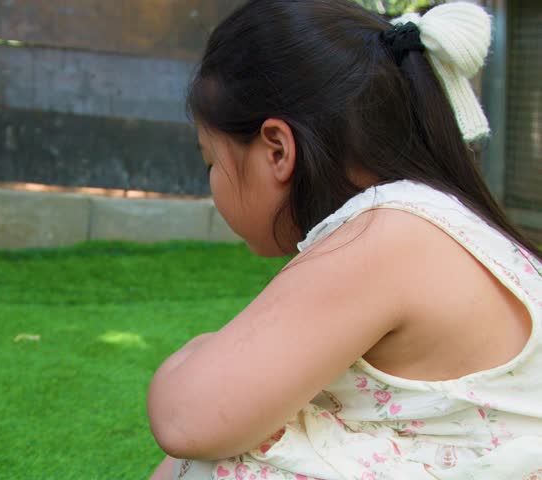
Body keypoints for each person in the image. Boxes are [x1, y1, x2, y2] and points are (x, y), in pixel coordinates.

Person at [146, 1, 542, 479]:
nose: (212, 182)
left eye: (211, 161)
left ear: (276, 150)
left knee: (225, 460)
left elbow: (190, 419)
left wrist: (195, 353)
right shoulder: (434, 217)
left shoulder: (386, 233)